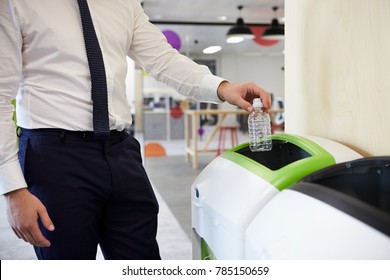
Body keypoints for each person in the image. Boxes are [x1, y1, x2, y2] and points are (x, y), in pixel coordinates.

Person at [0, 0, 271, 260]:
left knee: (141, 261)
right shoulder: (17, 3)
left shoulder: (123, 3)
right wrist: (13, 190)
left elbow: (164, 60)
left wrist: (223, 88)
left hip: (121, 151)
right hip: (55, 158)